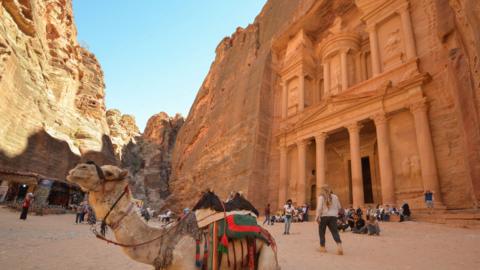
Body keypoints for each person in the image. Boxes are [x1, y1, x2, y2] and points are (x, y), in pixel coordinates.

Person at [315, 185, 343, 255]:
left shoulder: (321, 197)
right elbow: (339, 207)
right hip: (333, 217)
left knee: (321, 231)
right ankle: (339, 246)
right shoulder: (335, 197)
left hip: (324, 216)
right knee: (335, 232)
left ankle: (322, 247)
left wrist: (317, 217)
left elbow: (319, 208)